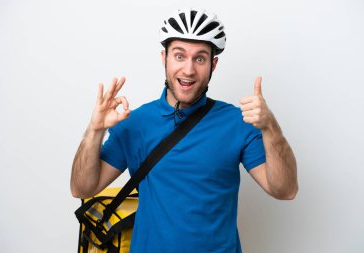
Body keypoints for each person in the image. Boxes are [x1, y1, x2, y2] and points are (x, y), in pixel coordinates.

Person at [71, 8, 298, 253]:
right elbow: (81, 188)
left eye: (199, 58)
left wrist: (271, 129)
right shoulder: (133, 122)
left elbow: (285, 190)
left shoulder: (237, 122)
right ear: (164, 58)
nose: (188, 70)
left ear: (213, 64)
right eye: (179, 56)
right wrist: (94, 130)